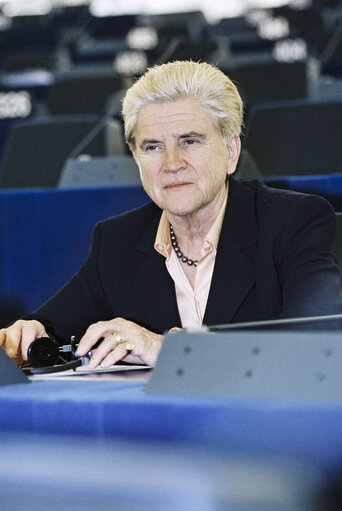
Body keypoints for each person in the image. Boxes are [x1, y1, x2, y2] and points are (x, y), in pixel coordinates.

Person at [1, 60, 341, 368]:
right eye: (153, 147)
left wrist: (168, 349)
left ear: (231, 151)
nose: (172, 163)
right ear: (136, 158)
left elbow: (315, 343)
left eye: (190, 141)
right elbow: (51, 327)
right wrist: (30, 332)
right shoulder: (117, 242)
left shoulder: (293, 221)